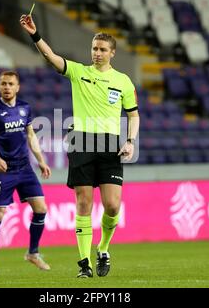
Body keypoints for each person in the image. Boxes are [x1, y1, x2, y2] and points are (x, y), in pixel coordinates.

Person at [20, 14, 140, 278]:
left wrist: (130, 141)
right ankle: (84, 262)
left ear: (112, 53)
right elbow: (51, 57)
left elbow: (133, 115)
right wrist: (34, 34)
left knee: (112, 206)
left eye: (102, 49)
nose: (97, 53)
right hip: (82, 142)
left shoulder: (123, 82)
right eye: (94, 48)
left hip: (111, 145)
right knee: (83, 202)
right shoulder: (79, 72)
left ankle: (103, 249)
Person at [0, 71, 52, 273]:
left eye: (10, 84)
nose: (6, 87)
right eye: (3, 84)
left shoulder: (25, 108)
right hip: (3, 169)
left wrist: (41, 160)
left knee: (41, 208)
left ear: (17, 87)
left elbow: (30, 135)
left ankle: (33, 253)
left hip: (25, 168)